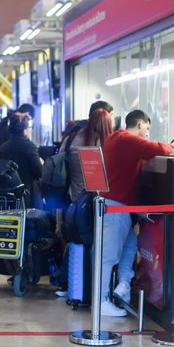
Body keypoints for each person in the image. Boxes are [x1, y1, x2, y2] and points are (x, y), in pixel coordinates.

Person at [100, 109, 173, 317]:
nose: (147, 133)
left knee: (130, 248)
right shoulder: (126, 139)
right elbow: (159, 148)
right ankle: (102, 301)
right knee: (109, 256)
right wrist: (171, 146)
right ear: (139, 124)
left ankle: (122, 288)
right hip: (117, 206)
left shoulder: (115, 138)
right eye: (147, 128)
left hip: (120, 207)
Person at [54, 108, 114, 298]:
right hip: (97, 202)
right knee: (97, 244)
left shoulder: (71, 139)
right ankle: (94, 288)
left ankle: (68, 284)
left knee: (75, 241)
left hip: (73, 200)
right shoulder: (107, 143)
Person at [0, 114, 43, 208]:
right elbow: (39, 172)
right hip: (27, 194)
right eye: (29, 127)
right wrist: (42, 163)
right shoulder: (30, 146)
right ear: (24, 130)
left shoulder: (3, 147)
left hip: (7, 193)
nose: (30, 130)